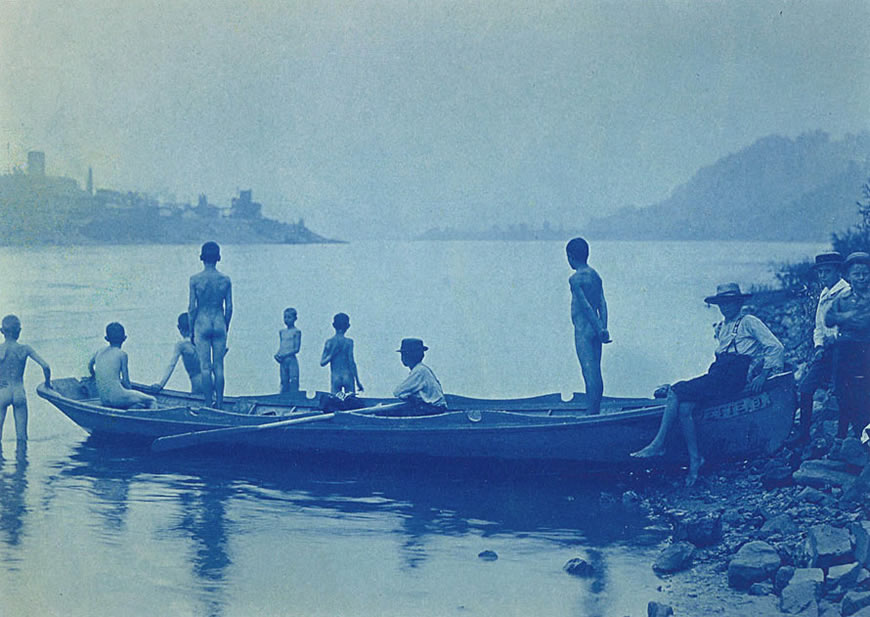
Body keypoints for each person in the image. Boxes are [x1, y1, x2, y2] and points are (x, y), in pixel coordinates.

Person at [631, 283, 784, 486]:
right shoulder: (722, 328)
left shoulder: (749, 321)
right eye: (722, 303)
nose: (725, 307)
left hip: (731, 378)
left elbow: (775, 347)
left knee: (676, 390)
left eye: (729, 302)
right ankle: (696, 459)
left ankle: (658, 444)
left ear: (738, 303)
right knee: (685, 408)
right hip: (719, 374)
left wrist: (763, 375)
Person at [786, 252, 850, 446]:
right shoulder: (824, 293)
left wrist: (835, 340)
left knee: (842, 391)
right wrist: (819, 346)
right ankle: (804, 434)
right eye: (820, 272)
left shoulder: (846, 292)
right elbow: (818, 327)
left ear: (838, 271)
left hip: (844, 350)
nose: (823, 276)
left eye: (827, 272)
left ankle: (841, 435)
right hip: (826, 351)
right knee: (805, 388)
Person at [825, 252, 870, 439]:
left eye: (865, 273)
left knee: (865, 392)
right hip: (845, 352)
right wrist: (846, 316)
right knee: (843, 392)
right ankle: (843, 436)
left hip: (866, 350)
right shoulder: (842, 298)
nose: (861, 277)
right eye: (856, 274)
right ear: (849, 276)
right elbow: (828, 320)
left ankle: (864, 436)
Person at [566, 237, 610, 415]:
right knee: (596, 370)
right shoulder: (595, 275)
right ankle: (595, 409)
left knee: (588, 372)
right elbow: (602, 302)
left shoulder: (575, 279)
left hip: (584, 331)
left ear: (571, 257)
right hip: (596, 329)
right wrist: (603, 327)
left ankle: (592, 413)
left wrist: (599, 329)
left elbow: (585, 306)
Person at [189, 241, 232, 408]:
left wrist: (192, 329)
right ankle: (220, 404)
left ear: (202, 257)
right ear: (218, 258)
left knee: (205, 367)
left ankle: (208, 404)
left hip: (202, 322)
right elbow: (229, 307)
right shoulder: (225, 280)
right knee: (219, 366)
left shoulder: (195, 280)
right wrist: (226, 325)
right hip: (219, 321)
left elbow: (192, 308)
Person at [0, 315, 51, 442]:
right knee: (22, 437)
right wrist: (48, 383)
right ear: (19, 331)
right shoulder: (25, 349)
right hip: (19, 392)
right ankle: (22, 460)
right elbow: (46, 366)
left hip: (2, 391)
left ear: (2, 331)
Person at [88, 322, 156, 409]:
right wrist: (130, 392)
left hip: (104, 399)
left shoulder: (99, 351)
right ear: (125, 338)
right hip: (117, 398)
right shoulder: (122, 354)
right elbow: (126, 381)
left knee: (134, 401)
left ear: (106, 338)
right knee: (152, 400)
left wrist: (93, 375)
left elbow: (90, 366)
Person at [150, 313, 204, 395]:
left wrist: (161, 384)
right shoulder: (202, 340)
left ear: (179, 328)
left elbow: (171, 365)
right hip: (212, 379)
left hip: (197, 382)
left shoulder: (181, 345)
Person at [392, 338, 447, 415]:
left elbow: (397, 392)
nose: (402, 358)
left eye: (404, 354)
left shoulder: (419, 371)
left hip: (434, 408)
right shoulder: (421, 369)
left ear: (410, 355)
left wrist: (407, 396)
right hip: (433, 407)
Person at [319, 312, 363, 396]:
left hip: (335, 377)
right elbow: (351, 362)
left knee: (335, 403)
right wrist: (358, 381)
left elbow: (322, 362)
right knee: (351, 402)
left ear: (333, 325)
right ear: (348, 326)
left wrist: (332, 354)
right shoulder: (349, 342)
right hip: (348, 376)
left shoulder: (329, 342)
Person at [275, 307, 301, 393]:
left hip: (291, 359)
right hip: (283, 360)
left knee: (293, 379)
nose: (286, 319)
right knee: (283, 380)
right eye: (285, 317)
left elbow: (296, 349)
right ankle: (283, 397)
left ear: (295, 318)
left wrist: (285, 354)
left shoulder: (296, 331)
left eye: (289, 317)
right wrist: (277, 354)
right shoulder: (282, 332)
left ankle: (294, 397)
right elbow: (282, 345)